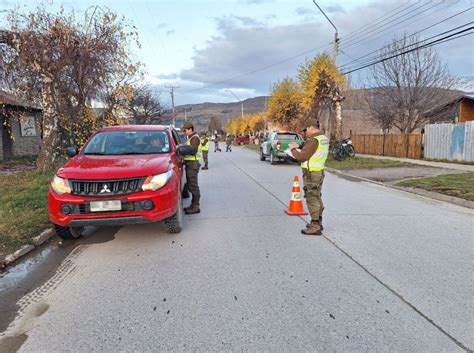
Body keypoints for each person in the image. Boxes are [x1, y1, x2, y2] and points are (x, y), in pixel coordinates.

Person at [289, 118, 329, 236]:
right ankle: (317, 221)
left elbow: (302, 157)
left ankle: (315, 226)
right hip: (319, 172)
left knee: (312, 198)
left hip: (311, 173)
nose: (305, 132)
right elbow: (311, 148)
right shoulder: (322, 138)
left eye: (306, 129)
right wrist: (301, 145)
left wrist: (293, 150)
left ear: (311, 127)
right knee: (317, 196)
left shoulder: (313, 141)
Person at [182, 121, 202, 214]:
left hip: (192, 164)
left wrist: (182, 150)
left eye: (185, 130)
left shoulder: (195, 138)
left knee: (193, 186)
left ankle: (196, 206)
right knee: (190, 185)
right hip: (190, 163)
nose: (184, 132)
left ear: (190, 129)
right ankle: (193, 205)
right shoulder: (191, 138)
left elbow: (193, 150)